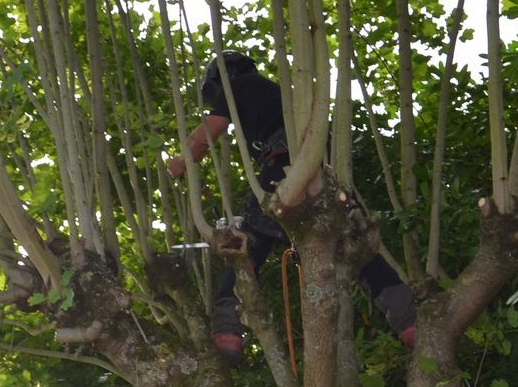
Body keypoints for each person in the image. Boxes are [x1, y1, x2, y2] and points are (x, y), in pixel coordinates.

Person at [166, 51, 417, 364]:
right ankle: (408, 320)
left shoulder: (240, 86)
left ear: (222, 80)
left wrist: (180, 162)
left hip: (284, 168)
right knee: (357, 249)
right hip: (322, 176)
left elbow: (208, 132)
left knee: (246, 246)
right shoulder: (278, 94)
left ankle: (227, 328)